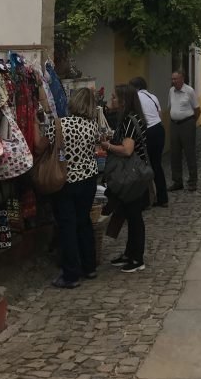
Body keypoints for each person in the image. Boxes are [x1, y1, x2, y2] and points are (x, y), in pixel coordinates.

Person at [44, 86, 102, 289]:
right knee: (84, 222)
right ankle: (89, 266)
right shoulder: (92, 126)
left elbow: (45, 144)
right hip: (89, 180)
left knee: (67, 225)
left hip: (66, 181)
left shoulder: (59, 125)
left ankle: (71, 274)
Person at [104, 84, 150, 273]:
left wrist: (107, 146)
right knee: (129, 214)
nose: (111, 100)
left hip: (132, 176)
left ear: (123, 101)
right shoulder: (127, 119)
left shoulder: (130, 120)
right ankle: (129, 253)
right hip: (131, 175)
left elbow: (127, 149)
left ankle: (137, 258)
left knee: (134, 216)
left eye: (114, 97)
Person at [129, 75, 168, 207]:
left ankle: (145, 199)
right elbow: (160, 115)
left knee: (143, 166)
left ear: (136, 88)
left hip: (148, 131)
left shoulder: (136, 98)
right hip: (159, 130)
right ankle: (163, 198)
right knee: (157, 165)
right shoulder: (153, 97)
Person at [168, 70, 200, 191]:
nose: (173, 81)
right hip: (174, 125)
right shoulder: (171, 91)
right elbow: (170, 106)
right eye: (172, 79)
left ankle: (192, 181)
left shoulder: (189, 91)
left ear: (182, 79)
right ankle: (177, 181)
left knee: (189, 153)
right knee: (174, 154)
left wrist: (191, 123)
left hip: (187, 124)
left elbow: (197, 109)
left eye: (176, 79)